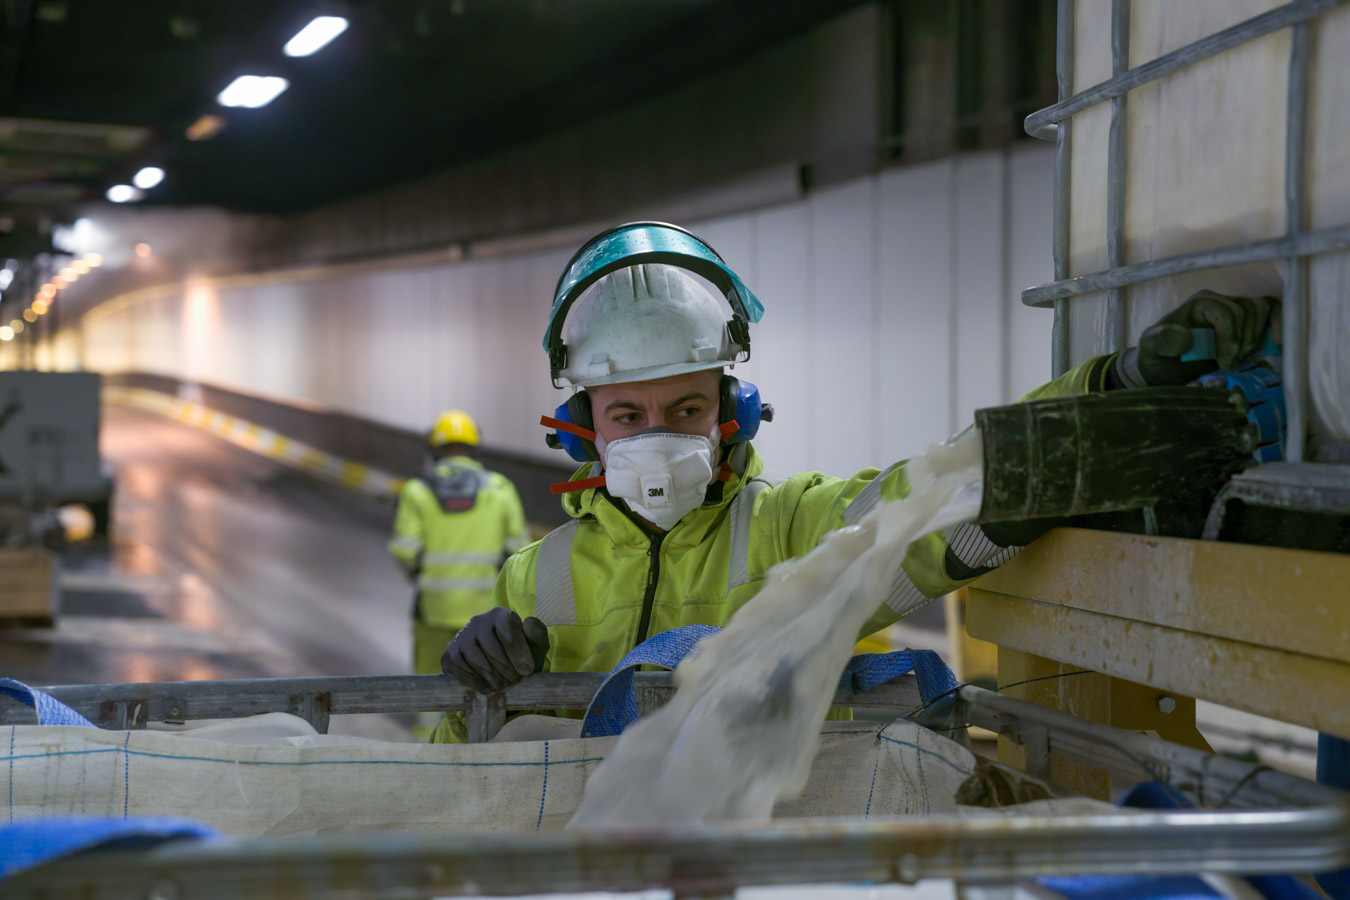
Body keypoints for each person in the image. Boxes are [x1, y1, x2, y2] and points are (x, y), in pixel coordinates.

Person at [433, 222, 1277, 742]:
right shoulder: (532, 579)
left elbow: (935, 496)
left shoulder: (790, 526)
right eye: (627, 416)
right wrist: (476, 695)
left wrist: (1116, 385)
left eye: (686, 407)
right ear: (584, 424)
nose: (657, 437)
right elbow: (460, 781)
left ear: (733, 410)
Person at [387, 409, 527, 738]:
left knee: (428, 679)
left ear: (435, 449)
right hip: (486, 611)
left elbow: (404, 549)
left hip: (434, 608)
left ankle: (427, 745)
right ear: (474, 448)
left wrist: (416, 571)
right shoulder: (500, 488)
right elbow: (519, 548)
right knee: (486, 681)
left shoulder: (416, 491)